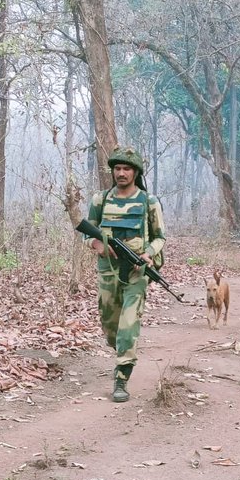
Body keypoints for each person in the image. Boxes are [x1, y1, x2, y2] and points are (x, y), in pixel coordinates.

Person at [85, 147, 166, 403]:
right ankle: (120, 347)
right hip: (108, 270)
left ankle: (121, 376)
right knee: (111, 327)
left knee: (128, 325)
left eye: (127, 169)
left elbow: (160, 237)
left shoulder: (149, 202)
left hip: (135, 272)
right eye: (117, 169)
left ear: (136, 172)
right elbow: (88, 232)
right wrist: (97, 245)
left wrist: (148, 254)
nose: (121, 173)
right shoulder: (100, 200)